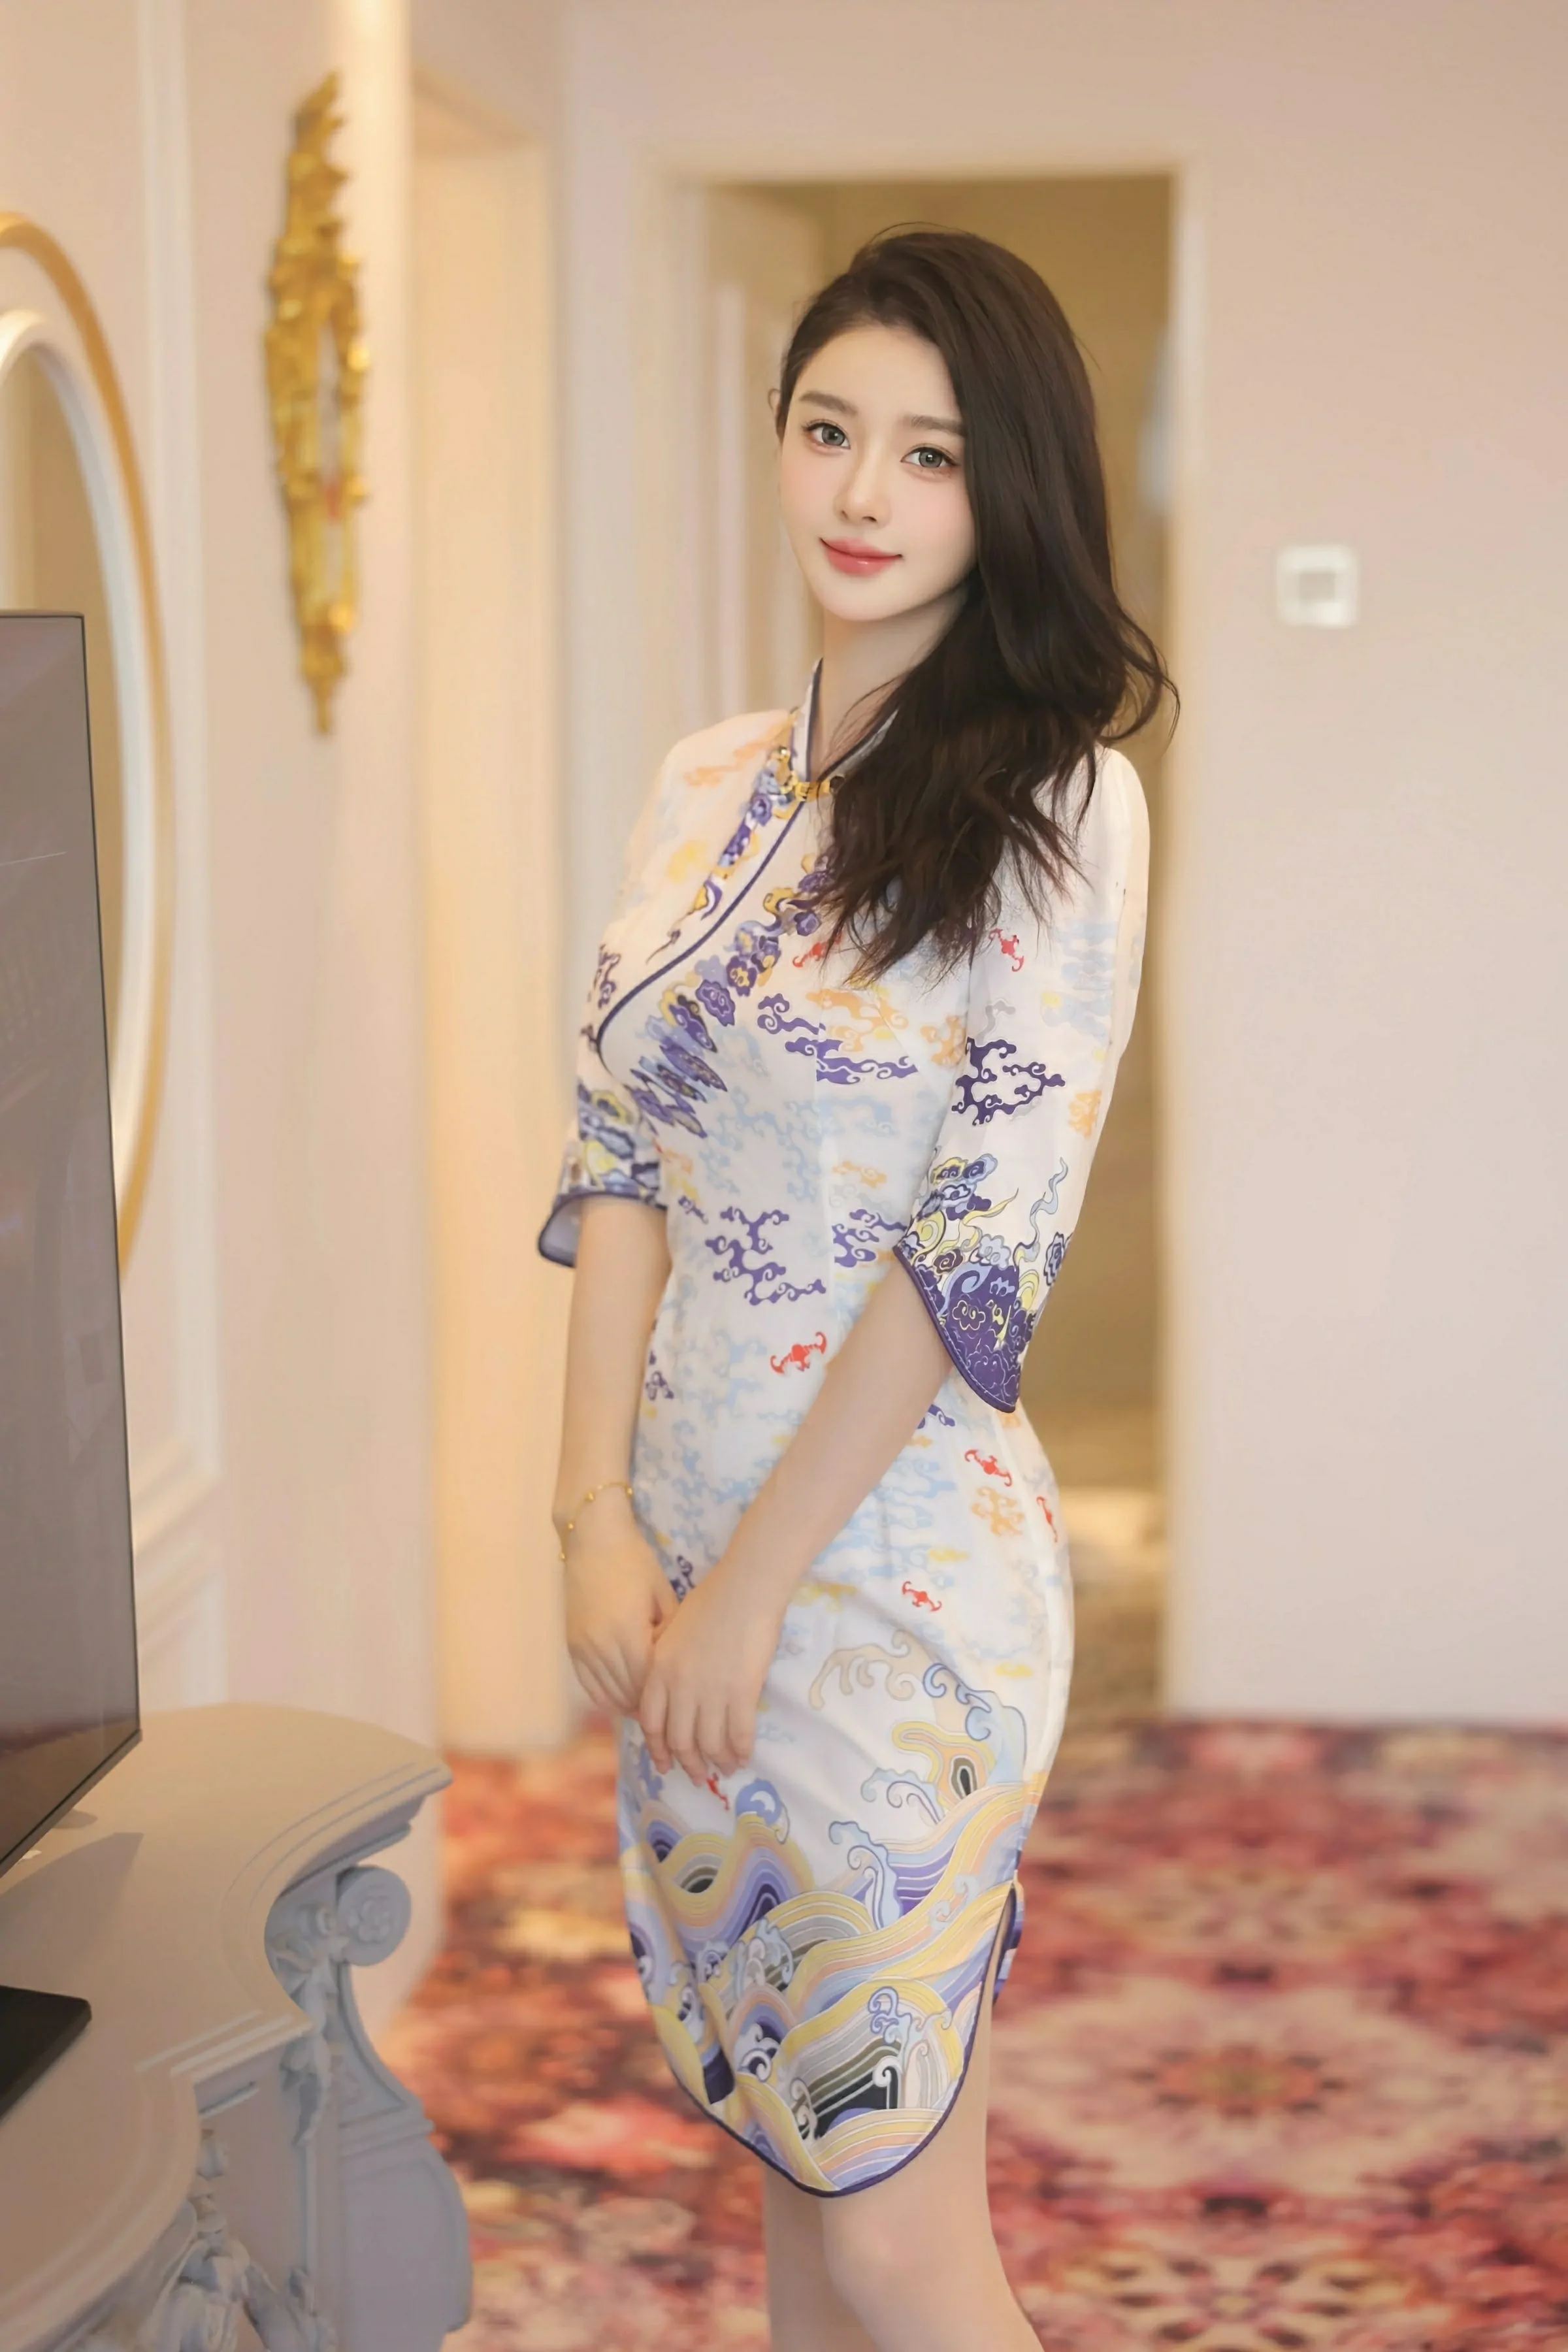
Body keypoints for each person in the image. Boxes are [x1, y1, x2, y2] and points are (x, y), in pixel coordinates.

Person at [539, 226, 1172, 2352]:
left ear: (1011, 489)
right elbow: (622, 1150)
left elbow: (977, 1241)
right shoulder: (704, 780)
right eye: (830, 430)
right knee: (807, 2207)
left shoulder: (1064, 802)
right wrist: (591, 1513)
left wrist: (751, 1590)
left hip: (893, 1589)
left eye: (930, 452)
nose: (865, 492)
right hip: (677, 1575)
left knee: (901, 2242)